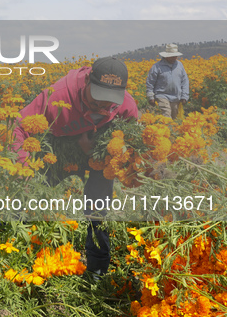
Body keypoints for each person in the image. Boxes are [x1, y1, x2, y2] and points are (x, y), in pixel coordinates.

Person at [13, 56, 139, 276]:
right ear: (88, 80)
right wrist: (24, 169)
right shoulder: (58, 96)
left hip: (98, 157)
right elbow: (18, 126)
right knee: (34, 197)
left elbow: (132, 140)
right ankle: (23, 257)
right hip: (58, 155)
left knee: (98, 210)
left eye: (109, 101)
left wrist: (117, 158)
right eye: (98, 97)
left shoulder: (126, 106)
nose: (102, 105)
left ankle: (97, 268)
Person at [146, 43, 189, 119]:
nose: (174, 58)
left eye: (175, 56)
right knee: (166, 114)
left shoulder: (180, 65)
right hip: (162, 95)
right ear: (166, 56)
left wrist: (184, 96)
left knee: (174, 117)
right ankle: (166, 129)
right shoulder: (157, 66)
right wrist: (150, 96)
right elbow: (150, 82)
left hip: (176, 96)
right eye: (172, 56)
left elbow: (185, 81)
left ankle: (171, 130)